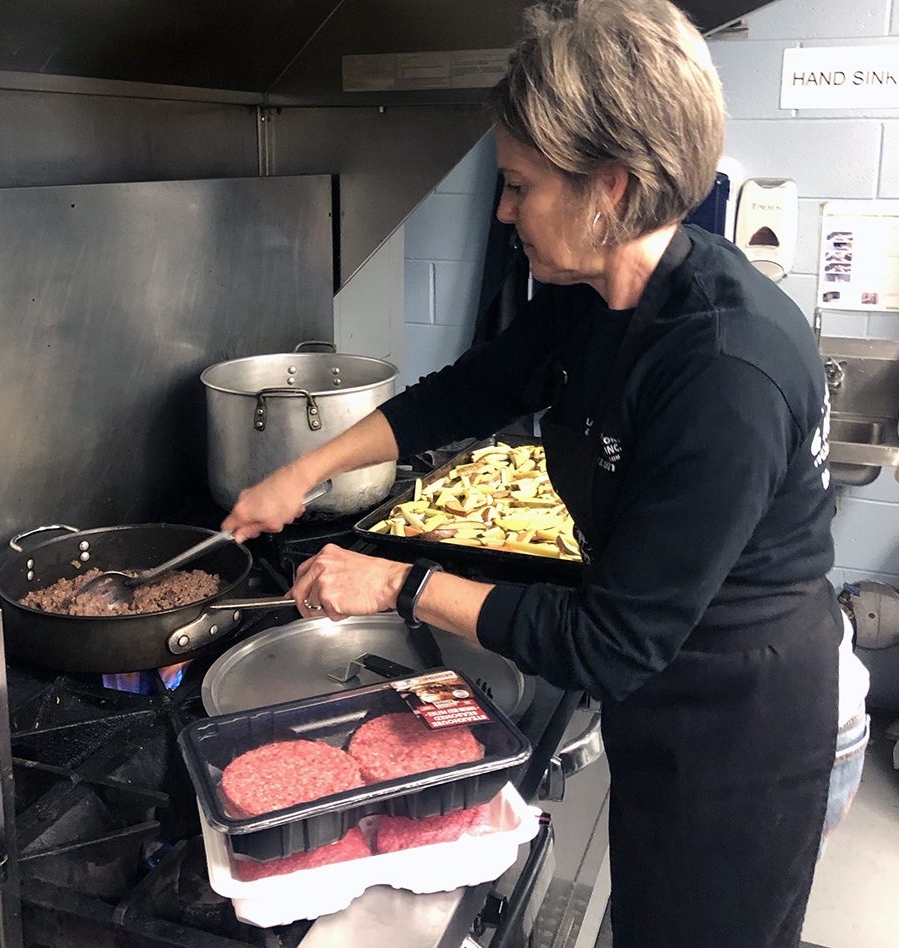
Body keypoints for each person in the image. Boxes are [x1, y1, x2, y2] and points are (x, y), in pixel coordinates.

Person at [223, 1, 856, 945]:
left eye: (518, 186)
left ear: (612, 187)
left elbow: (611, 644)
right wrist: (302, 473)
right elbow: (474, 389)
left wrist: (399, 582)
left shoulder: (725, 369)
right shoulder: (598, 292)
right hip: (665, 670)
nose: (506, 209)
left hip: (743, 716)